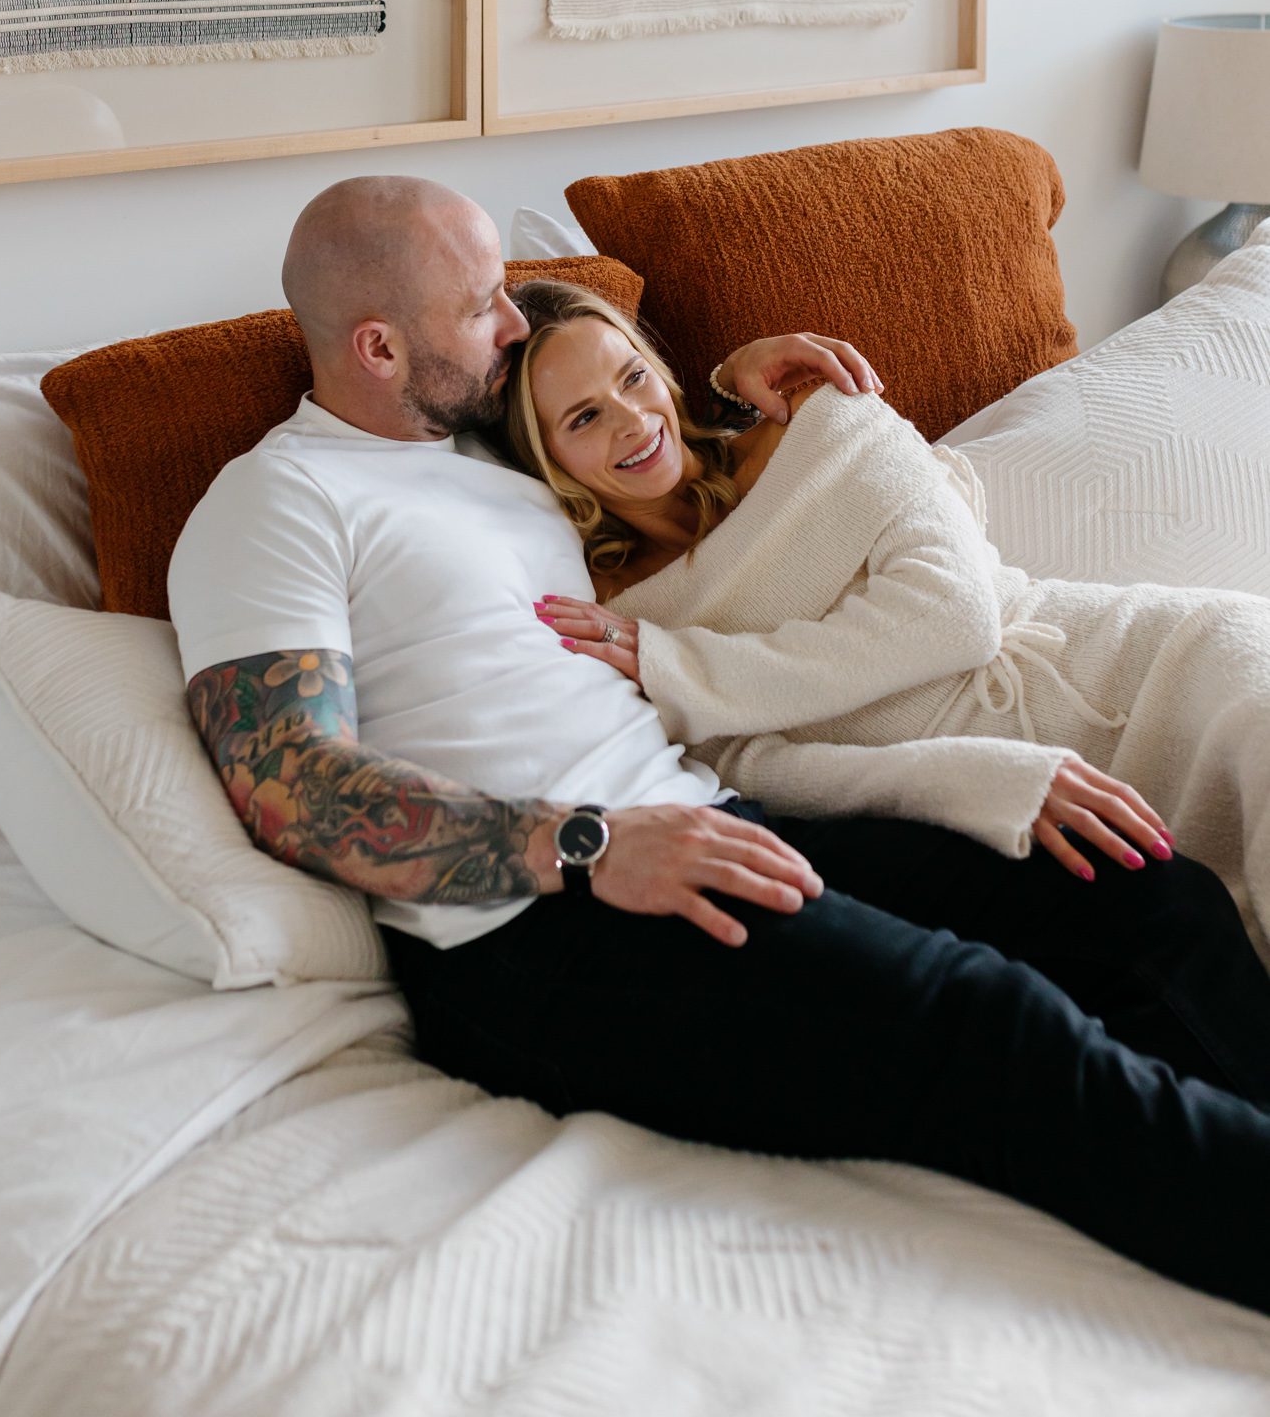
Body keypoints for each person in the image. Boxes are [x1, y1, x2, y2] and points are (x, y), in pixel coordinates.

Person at [171, 174, 1270, 1319]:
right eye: (482, 304)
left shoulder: (489, 464)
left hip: (714, 818)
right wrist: (587, 846)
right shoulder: (275, 500)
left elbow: (626, 436)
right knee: (985, 1021)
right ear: (380, 346)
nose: (512, 323)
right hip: (539, 922)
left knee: (1140, 896)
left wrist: (736, 385)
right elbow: (287, 782)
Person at [504, 279, 1270, 963]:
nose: (634, 421)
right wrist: (974, 779)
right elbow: (750, 771)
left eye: (633, 376)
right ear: (547, 463)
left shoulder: (819, 415)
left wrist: (687, 672)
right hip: (1036, 798)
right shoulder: (614, 621)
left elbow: (954, 616)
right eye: (583, 417)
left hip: (1153, 667)